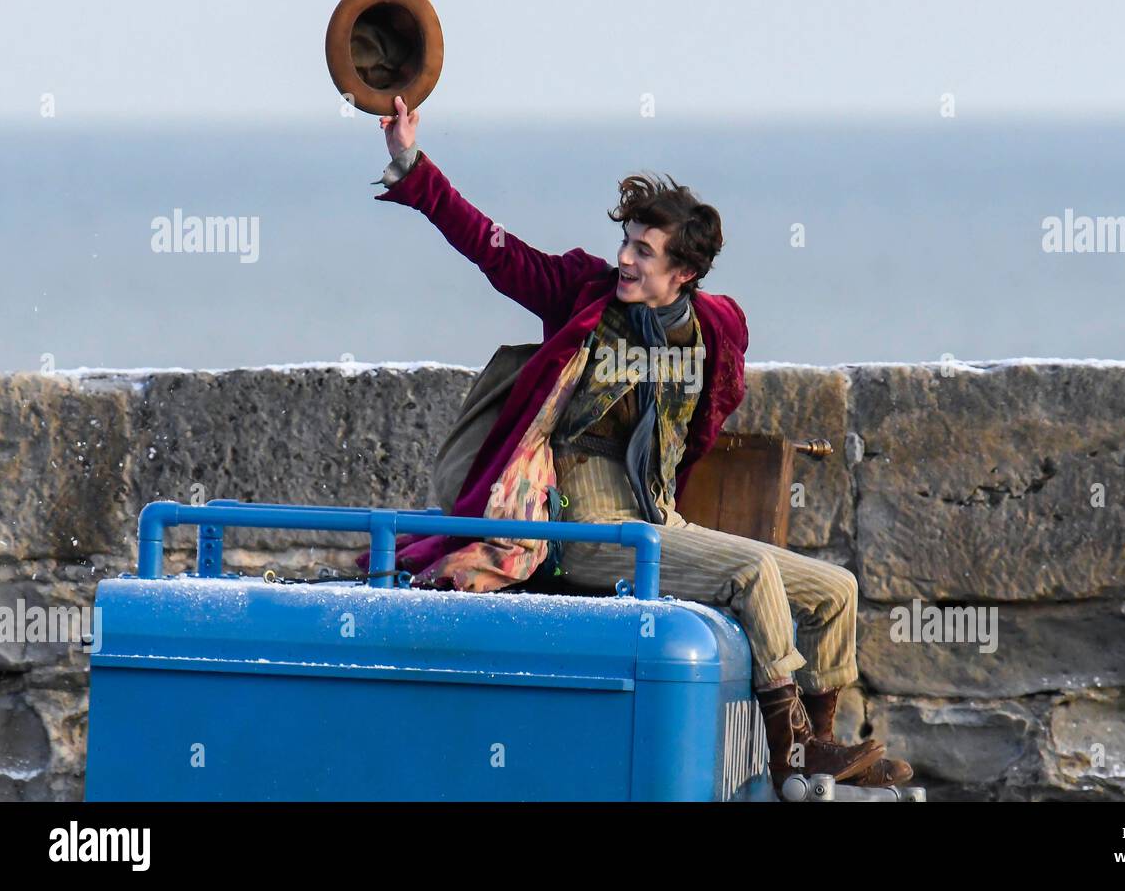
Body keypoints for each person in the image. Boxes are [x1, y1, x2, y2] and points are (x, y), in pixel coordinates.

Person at [371, 96, 912, 792]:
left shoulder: (715, 328)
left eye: (643, 250)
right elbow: (493, 248)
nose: (623, 258)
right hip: (583, 526)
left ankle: (821, 747)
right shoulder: (581, 294)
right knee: (751, 576)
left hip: (656, 521)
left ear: (683, 273)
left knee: (838, 589)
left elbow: (709, 412)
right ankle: (791, 755)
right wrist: (410, 163)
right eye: (625, 242)